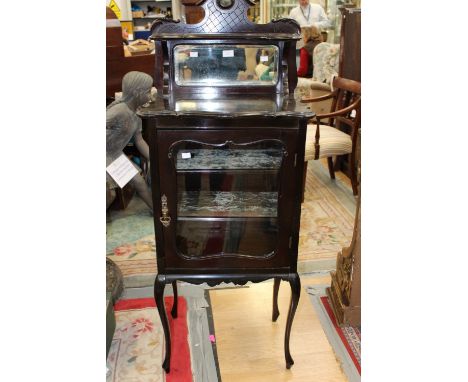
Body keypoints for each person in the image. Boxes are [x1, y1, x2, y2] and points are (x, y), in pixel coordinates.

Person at [106, 71, 153, 211]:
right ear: (137, 92)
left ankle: (158, 213)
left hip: (114, 153)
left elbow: (139, 140)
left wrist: (153, 158)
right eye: (148, 91)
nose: (151, 96)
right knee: (109, 195)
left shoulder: (136, 114)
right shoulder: (120, 110)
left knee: (139, 183)